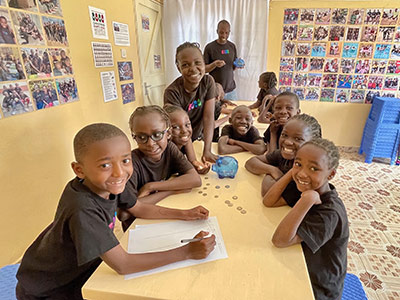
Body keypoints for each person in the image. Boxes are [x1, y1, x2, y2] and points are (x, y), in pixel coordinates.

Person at [16, 123, 216, 300]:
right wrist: (187, 251)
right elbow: (123, 265)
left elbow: (138, 207)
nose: (119, 172)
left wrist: (185, 214)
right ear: (79, 170)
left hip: (82, 267)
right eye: (105, 164)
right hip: (49, 287)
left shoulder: (108, 184)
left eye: (125, 161)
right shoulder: (82, 208)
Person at [270, 138, 348, 300]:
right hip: (303, 265)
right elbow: (269, 201)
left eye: (314, 168)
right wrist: (292, 174)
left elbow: (280, 240)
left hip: (318, 288)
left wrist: (306, 200)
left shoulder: (329, 212)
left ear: (331, 174)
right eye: (298, 163)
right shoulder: (307, 185)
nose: (303, 173)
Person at [118, 105, 203, 231]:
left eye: (157, 135)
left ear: (168, 134)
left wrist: (151, 186)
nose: (151, 144)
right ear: (134, 137)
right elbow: (124, 213)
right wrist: (171, 190)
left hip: (162, 215)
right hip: (139, 227)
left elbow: (195, 180)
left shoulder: (169, 149)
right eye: (142, 137)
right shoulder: (131, 164)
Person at [164, 42, 218, 163]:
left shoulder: (208, 82)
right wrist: (193, 161)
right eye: (185, 65)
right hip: (178, 142)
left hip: (194, 138)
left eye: (198, 63)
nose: (193, 68)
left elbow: (208, 117)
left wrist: (207, 150)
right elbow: (180, 127)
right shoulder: (172, 92)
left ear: (204, 64)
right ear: (179, 68)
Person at [245, 114, 321, 197]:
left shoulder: (308, 171)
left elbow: (268, 192)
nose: (287, 142)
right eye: (284, 135)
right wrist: (273, 170)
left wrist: (271, 174)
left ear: (313, 143)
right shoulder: (283, 155)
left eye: (298, 139)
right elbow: (250, 163)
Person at [165, 105, 210, 174]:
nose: (184, 131)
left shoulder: (186, 139)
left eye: (187, 125)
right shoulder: (166, 147)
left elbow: (193, 161)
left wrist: (199, 166)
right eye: (176, 127)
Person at [204, 20, 242, 100]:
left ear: (229, 32)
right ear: (217, 31)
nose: (224, 35)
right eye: (221, 32)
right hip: (215, 91)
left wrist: (238, 65)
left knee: (233, 112)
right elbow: (203, 70)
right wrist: (214, 64)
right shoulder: (209, 47)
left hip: (231, 91)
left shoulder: (232, 46)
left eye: (226, 33)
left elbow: (233, 67)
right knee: (216, 112)